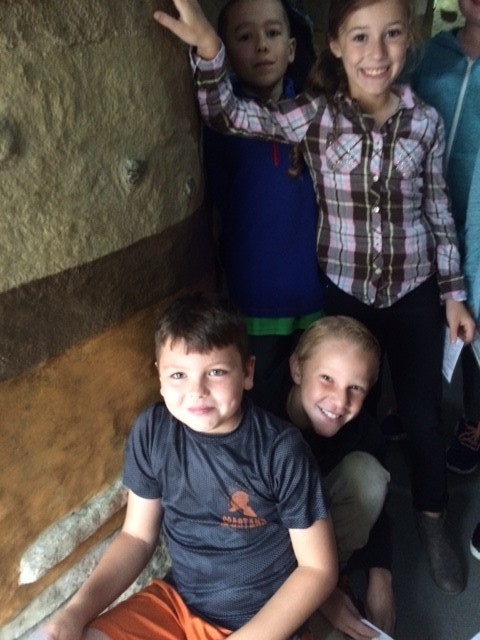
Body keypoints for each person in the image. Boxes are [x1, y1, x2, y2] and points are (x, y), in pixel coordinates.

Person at [153, 0, 476, 595]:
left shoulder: (425, 122)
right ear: (334, 44)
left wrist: (453, 293)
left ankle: (430, 518)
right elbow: (229, 114)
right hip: (345, 291)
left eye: (392, 35)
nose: (376, 54)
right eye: (360, 37)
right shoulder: (316, 116)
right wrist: (207, 48)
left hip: (412, 290)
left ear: (411, 40)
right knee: (346, 411)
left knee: (424, 417)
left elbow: (437, 210)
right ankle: (333, 543)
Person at [38, 292, 337, 640]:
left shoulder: (279, 451)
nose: (197, 391)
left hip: (260, 623)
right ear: (160, 377)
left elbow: (318, 569)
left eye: (216, 372)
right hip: (177, 606)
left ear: (247, 372)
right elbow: (137, 535)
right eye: (179, 374)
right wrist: (76, 612)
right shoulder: (153, 431)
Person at [203, 0, 326, 417]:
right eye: (244, 37)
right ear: (226, 53)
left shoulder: (315, 113)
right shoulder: (219, 122)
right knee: (261, 407)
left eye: (272, 34)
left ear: (292, 48)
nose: (261, 46)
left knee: (313, 406)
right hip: (252, 300)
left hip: (313, 295)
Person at [287, 316, 394, 640]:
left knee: (370, 476)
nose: (339, 401)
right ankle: (325, 586)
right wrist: (322, 595)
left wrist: (382, 577)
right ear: (297, 370)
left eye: (356, 388)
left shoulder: (364, 432)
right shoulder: (261, 419)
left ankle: (335, 572)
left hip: (319, 535)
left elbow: (380, 509)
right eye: (327, 379)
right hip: (266, 544)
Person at [409, 0, 480, 476]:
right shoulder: (429, 55)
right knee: (420, 308)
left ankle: (474, 418)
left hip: (476, 217)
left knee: (473, 310)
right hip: (424, 206)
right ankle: (414, 403)